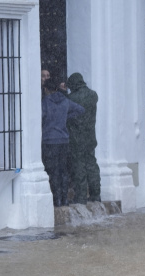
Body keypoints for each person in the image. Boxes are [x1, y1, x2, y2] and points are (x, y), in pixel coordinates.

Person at [42, 78, 84, 207]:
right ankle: (65, 199)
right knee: (63, 171)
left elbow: (39, 117)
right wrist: (66, 117)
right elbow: (81, 110)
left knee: (53, 171)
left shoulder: (45, 102)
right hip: (64, 140)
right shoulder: (65, 101)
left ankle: (56, 200)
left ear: (46, 89)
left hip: (49, 141)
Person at [65, 73, 101, 204]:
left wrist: (63, 92)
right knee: (92, 164)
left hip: (76, 138)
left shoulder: (71, 98)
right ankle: (95, 194)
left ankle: (80, 197)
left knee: (78, 166)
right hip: (91, 136)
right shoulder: (93, 95)